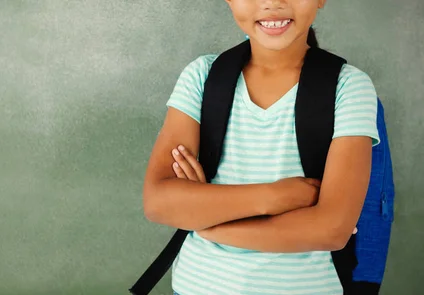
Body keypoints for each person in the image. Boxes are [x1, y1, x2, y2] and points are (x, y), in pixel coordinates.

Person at [141, 0, 380, 294]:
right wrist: (276, 195)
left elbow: (331, 230)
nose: (272, 2)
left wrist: (207, 221)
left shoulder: (349, 87)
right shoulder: (202, 77)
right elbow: (158, 201)